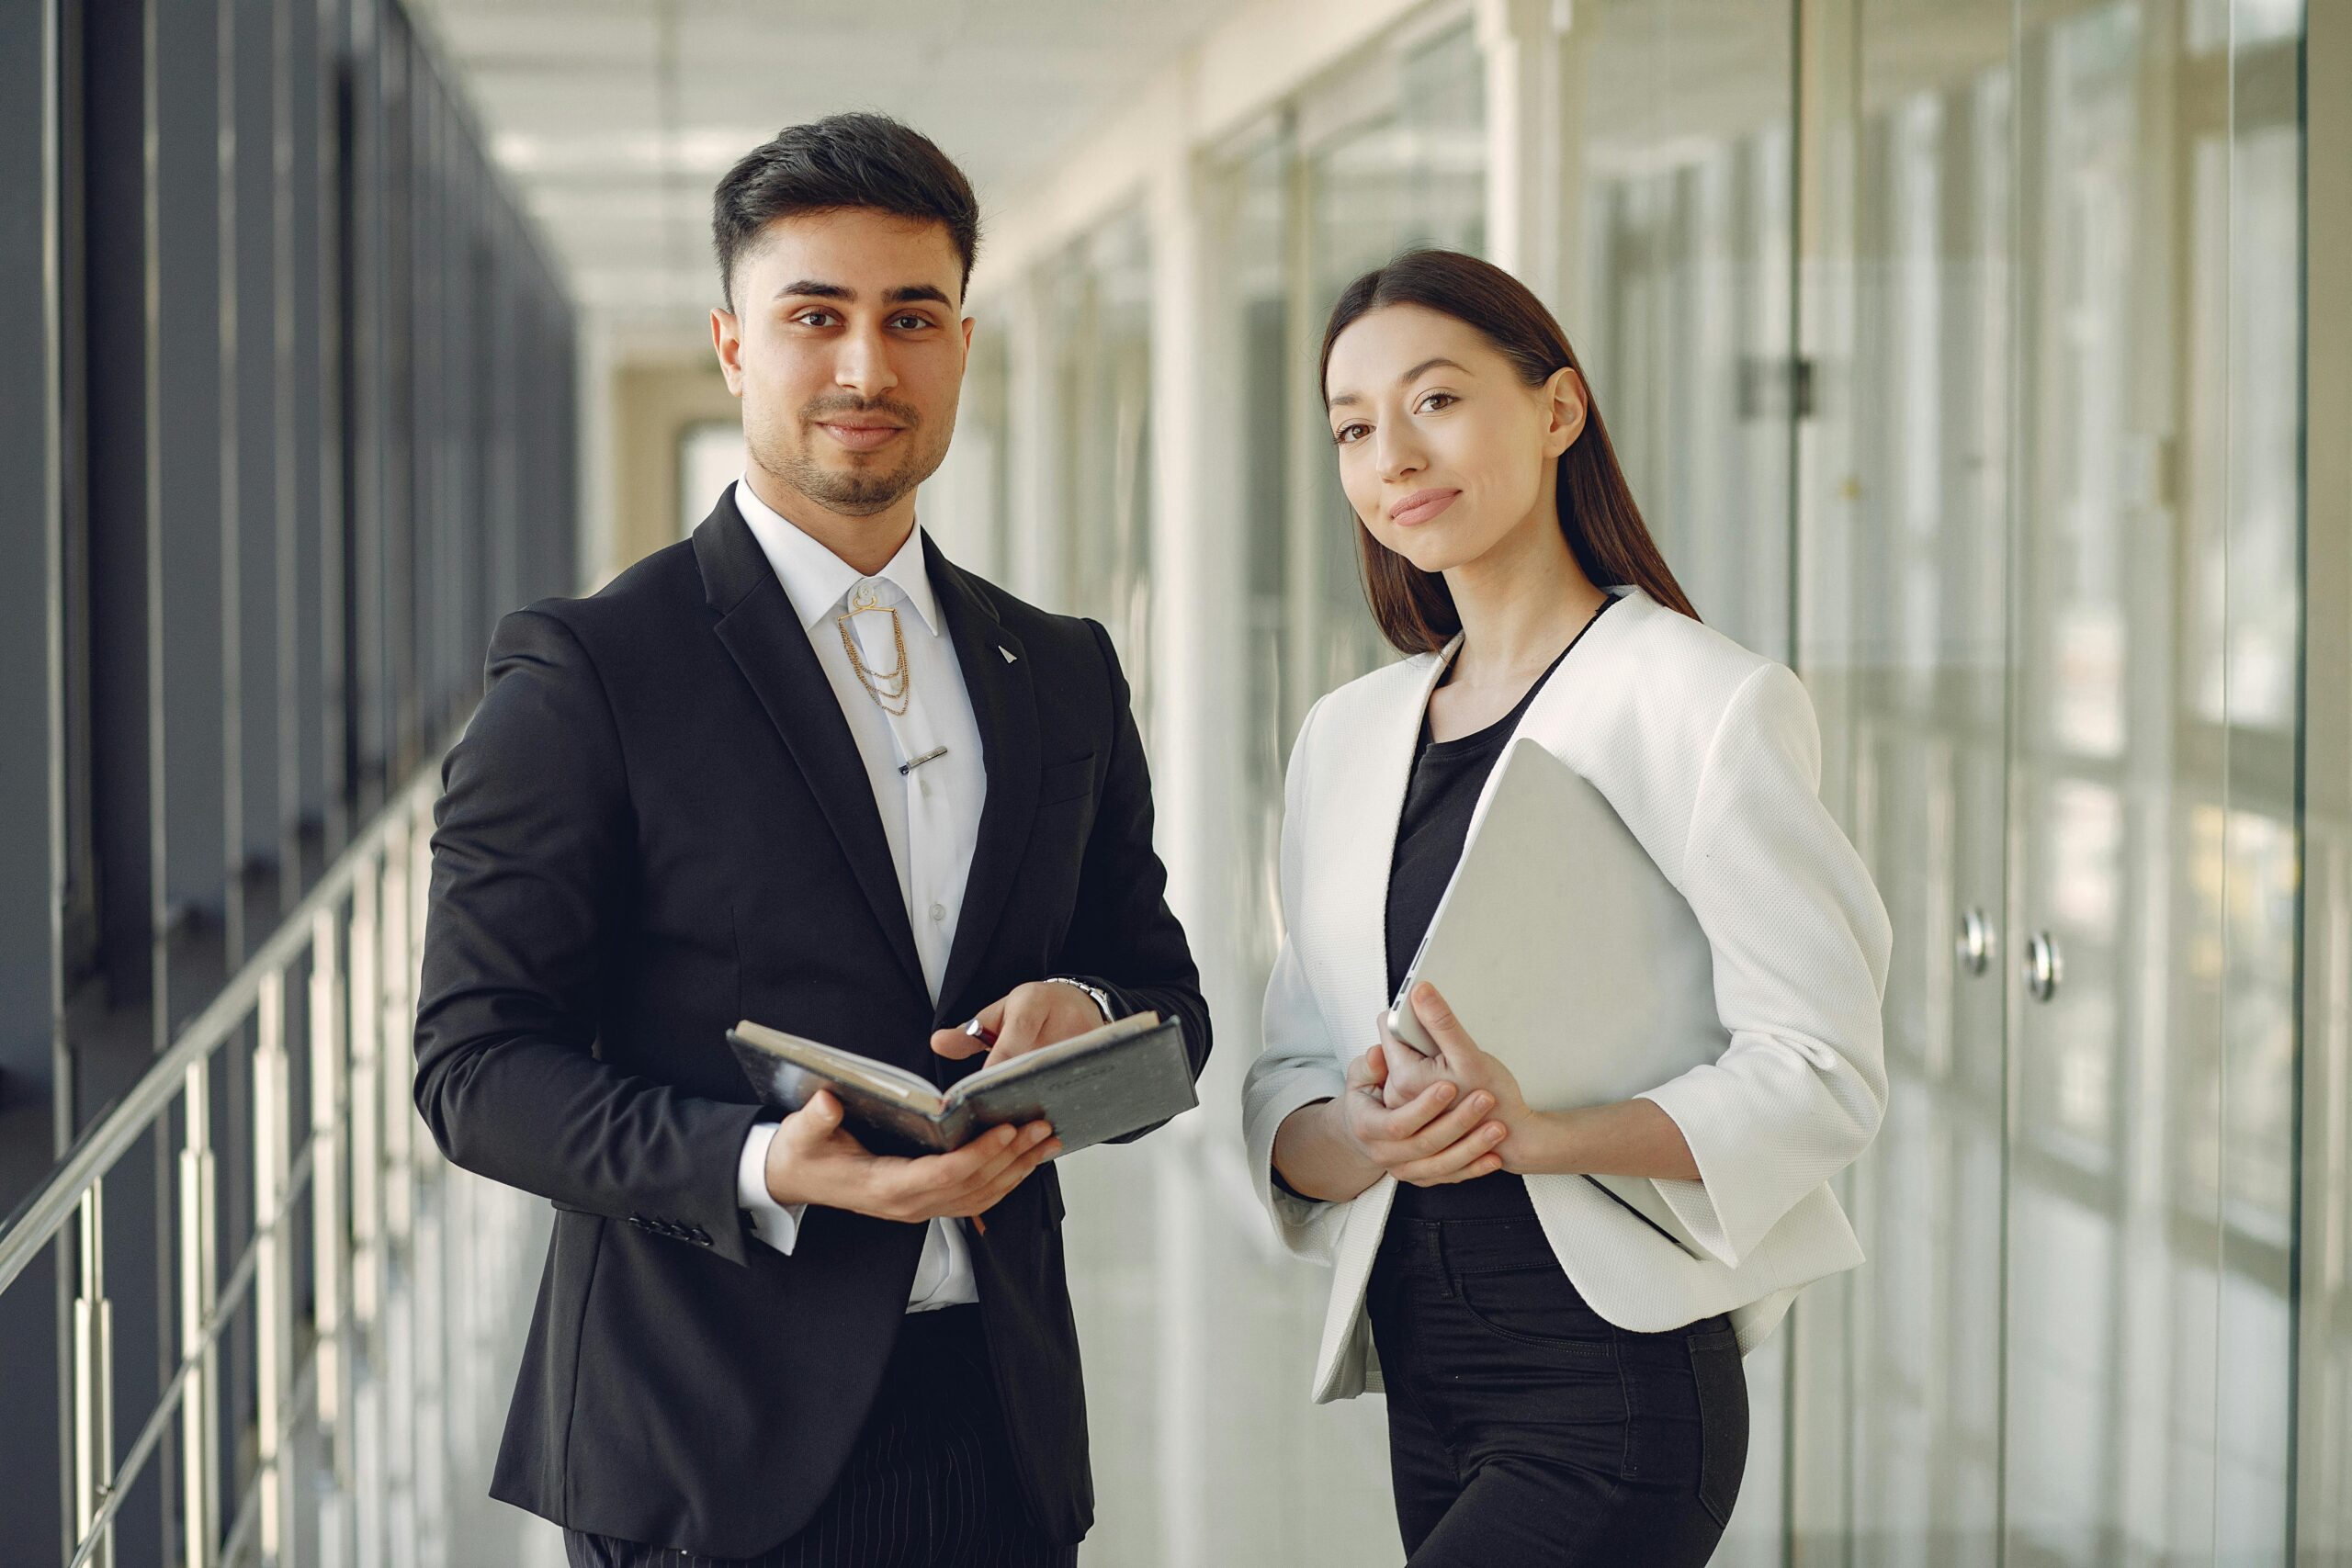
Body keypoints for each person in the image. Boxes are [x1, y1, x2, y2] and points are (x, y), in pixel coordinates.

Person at [413, 112, 1209, 1568]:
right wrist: (768, 1163)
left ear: (962, 342)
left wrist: (1085, 1014)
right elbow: (473, 1071)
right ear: (733, 344)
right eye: (814, 316)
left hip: (1000, 1430)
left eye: (911, 317)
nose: (866, 365)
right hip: (703, 1444)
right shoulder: (589, 669)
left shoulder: (1063, 670)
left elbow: (1169, 1007)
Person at [1241, 249, 1892, 1566]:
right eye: (1354, 429)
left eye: (1436, 401)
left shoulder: (1702, 702)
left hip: (1614, 1381)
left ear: (1556, 409)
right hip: (1425, 1377)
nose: (1393, 457)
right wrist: (1364, 1131)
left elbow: (1825, 1072)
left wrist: (1546, 1133)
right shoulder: (1346, 735)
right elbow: (1284, 1089)